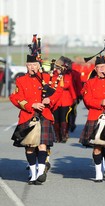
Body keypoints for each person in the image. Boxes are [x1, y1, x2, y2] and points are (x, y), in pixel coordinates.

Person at [10, 54, 63, 185]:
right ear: (26, 66)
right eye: (29, 65)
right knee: (30, 147)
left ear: (39, 66)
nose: (32, 67)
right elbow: (15, 97)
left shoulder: (47, 78)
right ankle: (33, 174)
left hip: (44, 115)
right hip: (28, 116)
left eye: (34, 65)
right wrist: (30, 105)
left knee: (42, 145)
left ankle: (40, 172)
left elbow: (58, 92)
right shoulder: (21, 80)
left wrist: (49, 99)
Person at [52, 56, 77, 143]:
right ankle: (57, 135)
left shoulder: (67, 76)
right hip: (55, 100)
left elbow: (71, 88)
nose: (59, 70)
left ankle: (64, 135)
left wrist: (74, 98)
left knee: (64, 118)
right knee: (56, 119)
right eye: (57, 68)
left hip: (66, 100)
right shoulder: (52, 76)